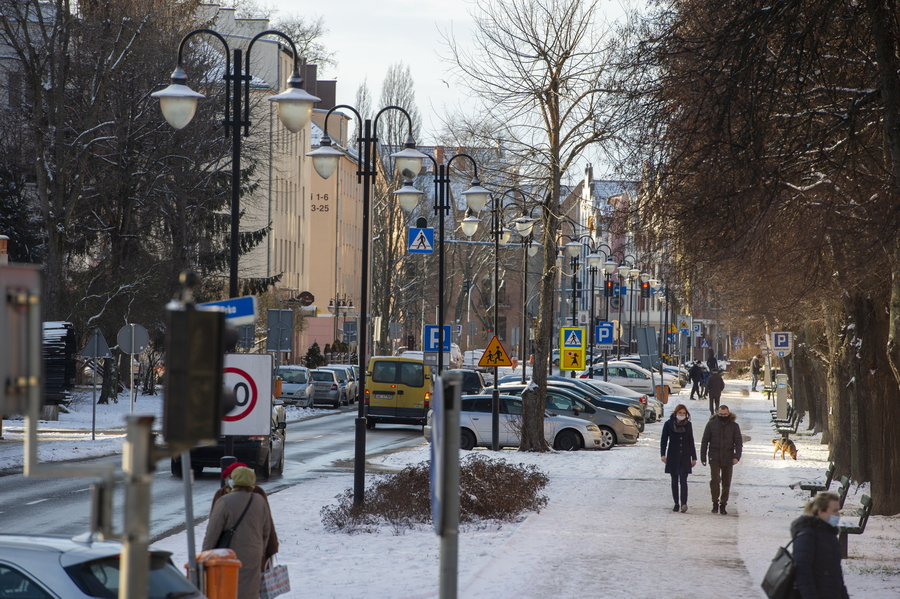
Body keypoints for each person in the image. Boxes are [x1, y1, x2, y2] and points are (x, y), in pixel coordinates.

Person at [203, 467, 272, 599]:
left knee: (228, 589)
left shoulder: (225, 501)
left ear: (233, 480)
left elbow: (212, 533)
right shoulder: (259, 500)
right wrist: (261, 551)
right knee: (250, 589)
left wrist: (205, 557)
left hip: (230, 555)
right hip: (254, 553)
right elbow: (266, 530)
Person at [212, 462, 280, 570]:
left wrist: (270, 548)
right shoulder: (222, 493)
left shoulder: (256, 493)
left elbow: (267, 522)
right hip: (248, 548)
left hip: (237, 549)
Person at [790, 491, 850, 598]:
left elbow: (836, 573)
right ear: (820, 512)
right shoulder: (807, 535)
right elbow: (802, 572)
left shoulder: (830, 535)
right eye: (834, 511)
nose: (838, 515)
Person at [700, 405, 742, 515]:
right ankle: (715, 502)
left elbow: (738, 443)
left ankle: (723, 504)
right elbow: (705, 441)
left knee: (726, 482)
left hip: (728, 457)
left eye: (725, 414)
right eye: (721, 414)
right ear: (717, 414)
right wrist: (703, 457)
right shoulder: (711, 425)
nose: (723, 416)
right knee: (715, 480)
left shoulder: (734, 426)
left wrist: (737, 456)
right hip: (714, 456)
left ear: (729, 413)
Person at [660, 403, 697, 513]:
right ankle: (676, 503)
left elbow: (691, 441)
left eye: (684, 413)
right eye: (680, 413)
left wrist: (694, 457)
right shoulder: (668, 424)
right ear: (676, 413)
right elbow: (664, 440)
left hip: (685, 456)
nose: (682, 415)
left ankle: (684, 503)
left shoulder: (688, 425)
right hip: (673, 456)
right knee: (674, 480)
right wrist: (663, 454)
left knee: (683, 480)